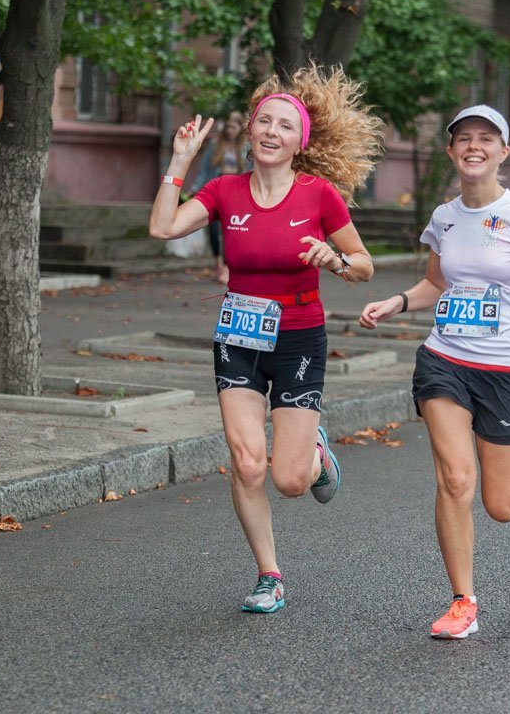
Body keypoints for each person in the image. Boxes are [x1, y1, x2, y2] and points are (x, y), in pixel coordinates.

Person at [149, 64, 383, 614]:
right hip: (239, 337)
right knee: (248, 463)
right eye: (264, 122)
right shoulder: (225, 191)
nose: (273, 131)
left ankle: (316, 454)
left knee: (290, 481)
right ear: (251, 132)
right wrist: (180, 162)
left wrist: (337, 259)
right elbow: (163, 228)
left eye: (285, 125)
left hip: (300, 340)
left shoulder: (318, 195)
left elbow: (366, 266)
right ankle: (268, 575)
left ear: (300, 141)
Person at [358, 105, 510, 640]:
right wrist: (396, 302)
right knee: (455, 478)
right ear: (451, 150)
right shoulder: (443, 217)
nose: (474, 146)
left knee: (502, 504)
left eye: (486, 138)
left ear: (504, 151)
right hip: (445, 361)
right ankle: (463, 601)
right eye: (464, 138)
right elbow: (437, 285)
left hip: (506, 372)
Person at [189, 110, 246, 284]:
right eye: (227, 126)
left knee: (232, 230)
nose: (230, 130)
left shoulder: (245, 147)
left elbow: (250, 171)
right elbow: (204, 170)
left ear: (239, 129)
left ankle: (228, 267)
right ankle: (218, 264)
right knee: (213, 229)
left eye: (233, 127)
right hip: (216, 190)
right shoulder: (214, 145)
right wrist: (195, 188)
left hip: (236, 193)